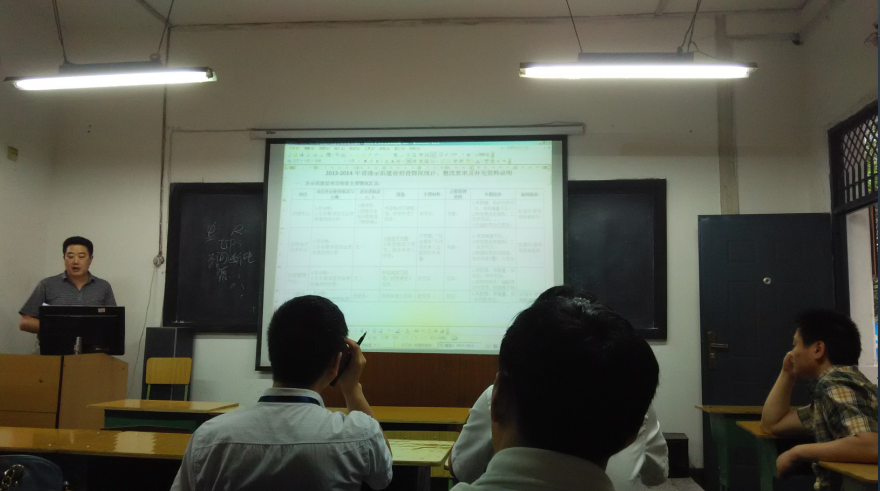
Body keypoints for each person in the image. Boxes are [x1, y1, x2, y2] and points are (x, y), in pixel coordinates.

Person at [450, 286, 667, 491]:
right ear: (631, 434)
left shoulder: (495, 396)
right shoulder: (630, 400)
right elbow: (657, 475)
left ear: (499, 398)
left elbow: (461, 468)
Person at [170, 295, 393, 491]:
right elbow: (382, 478)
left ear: (271, 353)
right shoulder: (359, 434)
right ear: (337, 363)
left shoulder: (209, 438)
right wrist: (352, 390)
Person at [760, 309, 878, 490]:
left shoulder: (834, 383)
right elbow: (771, 424)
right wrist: (787, 373)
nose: (791, 353)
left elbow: (872, 446)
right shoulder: (842, 384)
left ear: (818, 349)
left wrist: (797, 452)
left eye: (795, 345)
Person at [18, 236, 116, 334]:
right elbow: (25, 322)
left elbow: (114, 321)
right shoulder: (47, 284)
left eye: (81, 256)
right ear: (64, 258)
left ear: (91, 259)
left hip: (93, 343)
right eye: (70, 256)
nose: (75, 261)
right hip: (55, 343)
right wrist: (59, 328)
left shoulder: (103, 286)